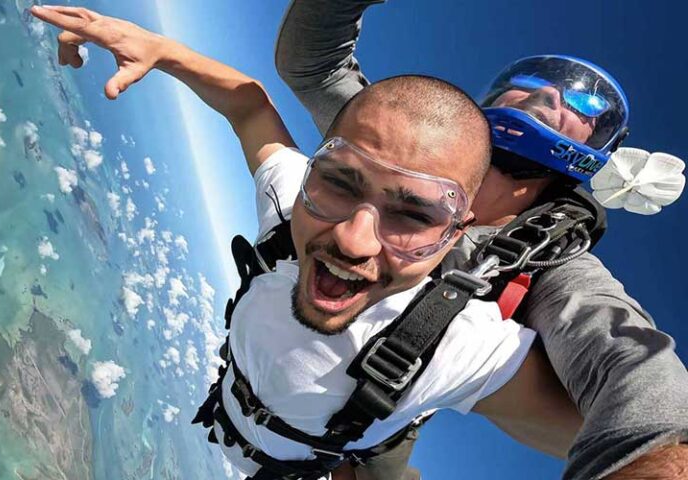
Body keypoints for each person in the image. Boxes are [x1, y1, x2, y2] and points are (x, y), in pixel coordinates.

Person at [30, 6, 587, 480]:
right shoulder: (288, 210)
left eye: (413, 216)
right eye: (340, 183)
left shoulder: (455, 347)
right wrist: (161, 48)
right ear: (311, 175)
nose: (353, 239)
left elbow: (647, 447)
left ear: (456, 236)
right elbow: (249, 107)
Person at [275, 1, 688, 479]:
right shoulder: (400, 151)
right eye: (533, 83)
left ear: (596, 146)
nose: (551, 93)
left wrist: (658, 456)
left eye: (584, 104)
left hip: (379, 408)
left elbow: (626, 355)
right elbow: (313, 67)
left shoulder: (550, 263)